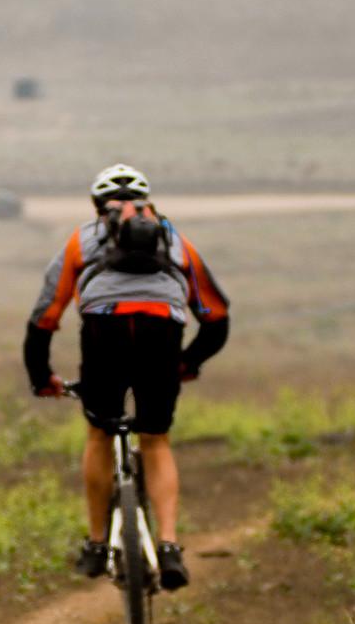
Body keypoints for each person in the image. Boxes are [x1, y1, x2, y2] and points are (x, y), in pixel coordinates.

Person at [24, 164, 230, 591]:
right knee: (155, 439)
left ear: (97, 206)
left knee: (100, 433)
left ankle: (98, 544)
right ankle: (170, 545)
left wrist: (42, 377)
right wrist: (186, 364)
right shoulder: (176, 241)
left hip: (106, 332)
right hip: (163, 332)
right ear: (147, 202)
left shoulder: (82, 240)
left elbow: (44, 318)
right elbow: (217, 318)